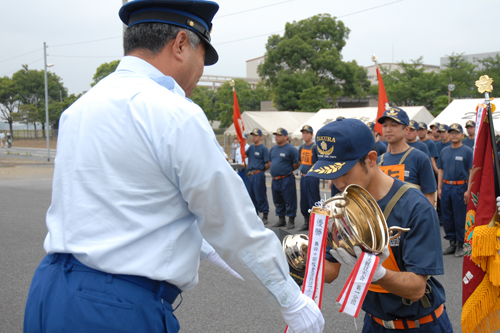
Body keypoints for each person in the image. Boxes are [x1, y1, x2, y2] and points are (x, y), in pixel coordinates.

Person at [22, 1, 324, 332]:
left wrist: (205, 246)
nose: (200, 71)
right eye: (202, 57)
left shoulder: (81, 108)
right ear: (180, 44)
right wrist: (291, 301)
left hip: (50, 291)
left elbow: (131, 203)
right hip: (115, 307)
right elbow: (232, 222)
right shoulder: (173, 112)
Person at [307, 118, 452, 333]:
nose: (338, 184)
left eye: (344, 173)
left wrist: (376, 272)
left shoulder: (416, 206)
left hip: (419, 325)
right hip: (374, 323)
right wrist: (300, 260)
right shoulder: (342, 205)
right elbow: (330, 272)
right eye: (331, 176)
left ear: (371, 159)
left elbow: (416, 289)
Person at [377, 107, 437, 205]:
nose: (388, 130)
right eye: (385, 125)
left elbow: (429, 195)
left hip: (412, 219)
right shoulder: (379, 161)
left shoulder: (419, 158)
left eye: (393, 125)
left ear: (406, 130)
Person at [438, 123, 473, 257]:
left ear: (462, 135)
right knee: (447, 216)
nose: (453, 135)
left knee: (459, 217)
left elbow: (471, 172)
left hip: (460, 187)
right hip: (446, 186)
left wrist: (468, 190)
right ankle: (452, 243)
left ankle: (461, 243)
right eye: (451, 132)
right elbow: (441, 170)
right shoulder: (444, 151)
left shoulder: (467, 151)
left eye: (456, 133)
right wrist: (439, 188)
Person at [270, 127, 300, 229]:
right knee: (277, 200)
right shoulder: (273, 149)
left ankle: (291, 220)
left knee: (289, 199)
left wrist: (286, 170)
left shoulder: (291, 149)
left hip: (286, 179)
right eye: (276, 135)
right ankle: (281, 219)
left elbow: (296, 163)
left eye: (279, 135)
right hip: (275, 180)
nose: (276, 137)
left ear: (286, 137)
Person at [297, 125, 320, 231]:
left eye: (307, 133)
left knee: (313, 199)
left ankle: (315, 222)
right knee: (304, 200)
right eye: (303, 133)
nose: (305, 135)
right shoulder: (301, 147)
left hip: (312, 177)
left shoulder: (315, 147)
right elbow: (301, 161)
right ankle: (306, 221)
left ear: (311, 135)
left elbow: (319, 161)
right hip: (303, 177)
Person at [246, 128, 270, 224]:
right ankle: (255, 214)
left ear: (260, 137)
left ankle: (265, 214)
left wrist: (261, 170)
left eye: (256, 135)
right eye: (253, 135)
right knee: (251, 195)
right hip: (250, 175)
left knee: (260, 194)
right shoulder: (251, 147)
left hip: (258, 174)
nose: (254, 137)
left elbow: (268, 163)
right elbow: (245, 155)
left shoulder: (263, 148)